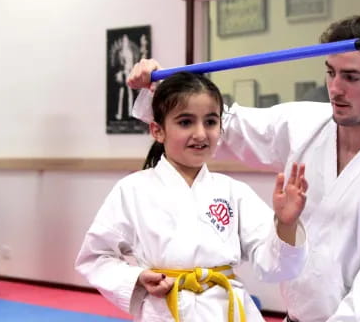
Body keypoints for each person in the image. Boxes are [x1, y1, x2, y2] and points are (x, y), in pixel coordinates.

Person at [127, 16, 360, 322]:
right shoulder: (305, 124)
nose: (335, 88)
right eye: (330, 72)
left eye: (351, 77)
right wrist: (158, 88)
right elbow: (222, 126)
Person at [76, 71, 310, 322]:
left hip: (226, 311)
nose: (200, 133)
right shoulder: (132, 190)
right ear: (157, 130)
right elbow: (95, 257)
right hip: (166, 309)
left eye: (210, 122)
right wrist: (138, 278)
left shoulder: (233, 192)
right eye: (186, 122)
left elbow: (276, 267)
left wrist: (286, 225)